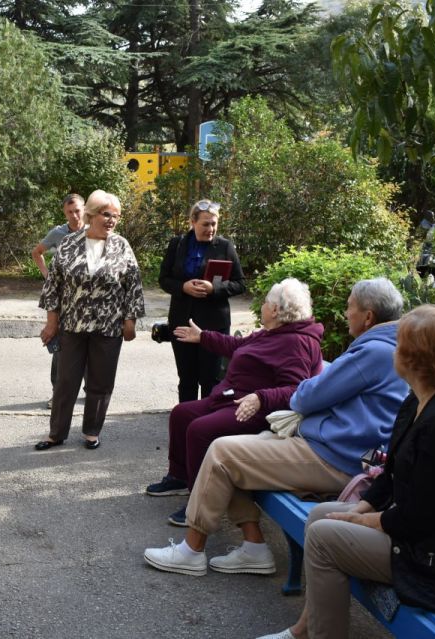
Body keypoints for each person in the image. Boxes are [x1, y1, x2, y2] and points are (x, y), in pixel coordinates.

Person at [256, 305, 435, 639]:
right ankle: (304, 630)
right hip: (432, 534)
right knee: (321, 515)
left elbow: (419, 518)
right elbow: (392, 473)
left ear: (414, 358)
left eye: (399, 345)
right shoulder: (420, 399)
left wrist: (362, 521)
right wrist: (362, 508)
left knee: (325, 537)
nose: (393, 351)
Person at [143, 278, 408, 576]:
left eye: (349, 308)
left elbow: (305, 395)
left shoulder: (371, 352)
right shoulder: (391, 347)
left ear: (368, 316)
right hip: (338, 448)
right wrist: (204, 338)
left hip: (334, 456)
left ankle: (192, 550)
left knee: (221, 450)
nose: (346, 314)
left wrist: (266, 395)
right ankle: (253, 546)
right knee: (227, 447)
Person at [145, 278, 324, 525]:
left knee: (200, 430)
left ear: (275, 310)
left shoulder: (296, 342)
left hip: (257, 410)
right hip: (233, 398)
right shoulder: (273, 332)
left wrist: (261, 397)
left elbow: (296, 389)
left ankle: (202, 502)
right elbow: (239, 346)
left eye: (265, 302)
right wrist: (203, 337)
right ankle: (180, 478)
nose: (261, 306)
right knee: (182, 414)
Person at [34, 189, 145, 450]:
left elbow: (134, 285)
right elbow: (54, 286)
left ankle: (92, 432)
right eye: (107, 215)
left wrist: (130, 321)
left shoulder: (121, 245)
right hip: (72, 325)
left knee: (101, 381)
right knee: (65, 382)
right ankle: (56, 433)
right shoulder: (69, 244)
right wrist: (52, 323)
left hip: (108, 326)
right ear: (92, 214)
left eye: (116, 216)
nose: (112, 221)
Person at [159, 200, 245, 403]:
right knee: (187, 379)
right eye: (206, 224)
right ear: (192, 222)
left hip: (214, 324)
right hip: (182, 320)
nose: (211, 229)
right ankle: (184, 426)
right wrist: (183, 287)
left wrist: (214, 289)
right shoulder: (177, 244)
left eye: (214, 224)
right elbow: (163, 279)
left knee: (211, 380)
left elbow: (240, 284)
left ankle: (208, 427)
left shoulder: (225, 246)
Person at [31, 194, 86, 407]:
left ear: (85, 209)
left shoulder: (93, 231)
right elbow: (37, 252)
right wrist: (47, 276)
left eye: (78, 210)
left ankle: (90, 392)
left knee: (90, 342)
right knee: (62, 345)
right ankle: (58, 392)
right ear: (64, 213)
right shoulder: (58, 233)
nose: (74, 215)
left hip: (88, 299)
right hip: (63, 298)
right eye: (70, 212)